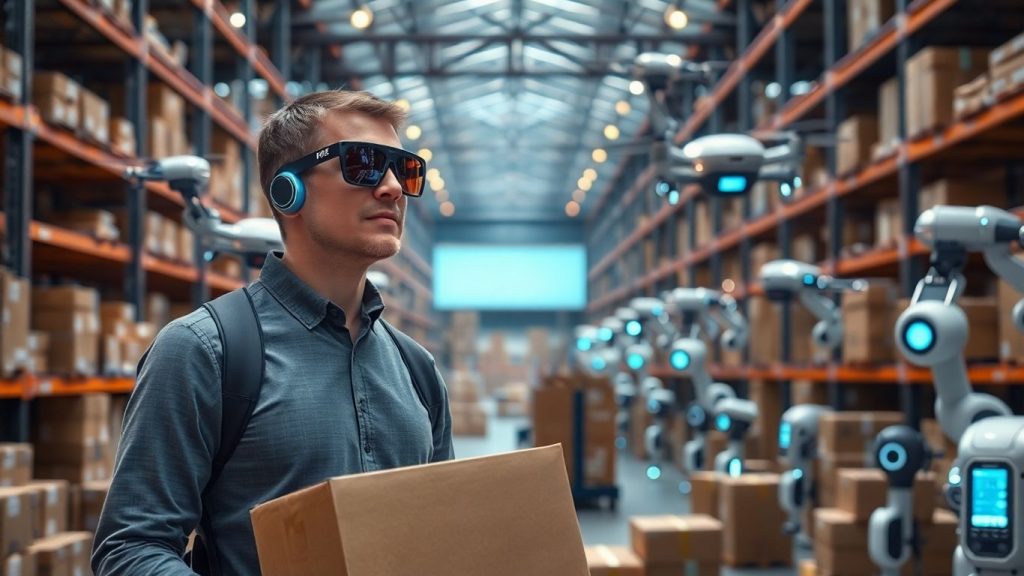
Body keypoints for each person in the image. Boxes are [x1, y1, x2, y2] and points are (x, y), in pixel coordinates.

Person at [93, 90, 453, 575]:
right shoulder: (205, 352)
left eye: (405, 171)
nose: (392, 187)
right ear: (289, 191)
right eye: (364, 164)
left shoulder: (418, 371)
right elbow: (130, 549)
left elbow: (443, 534)